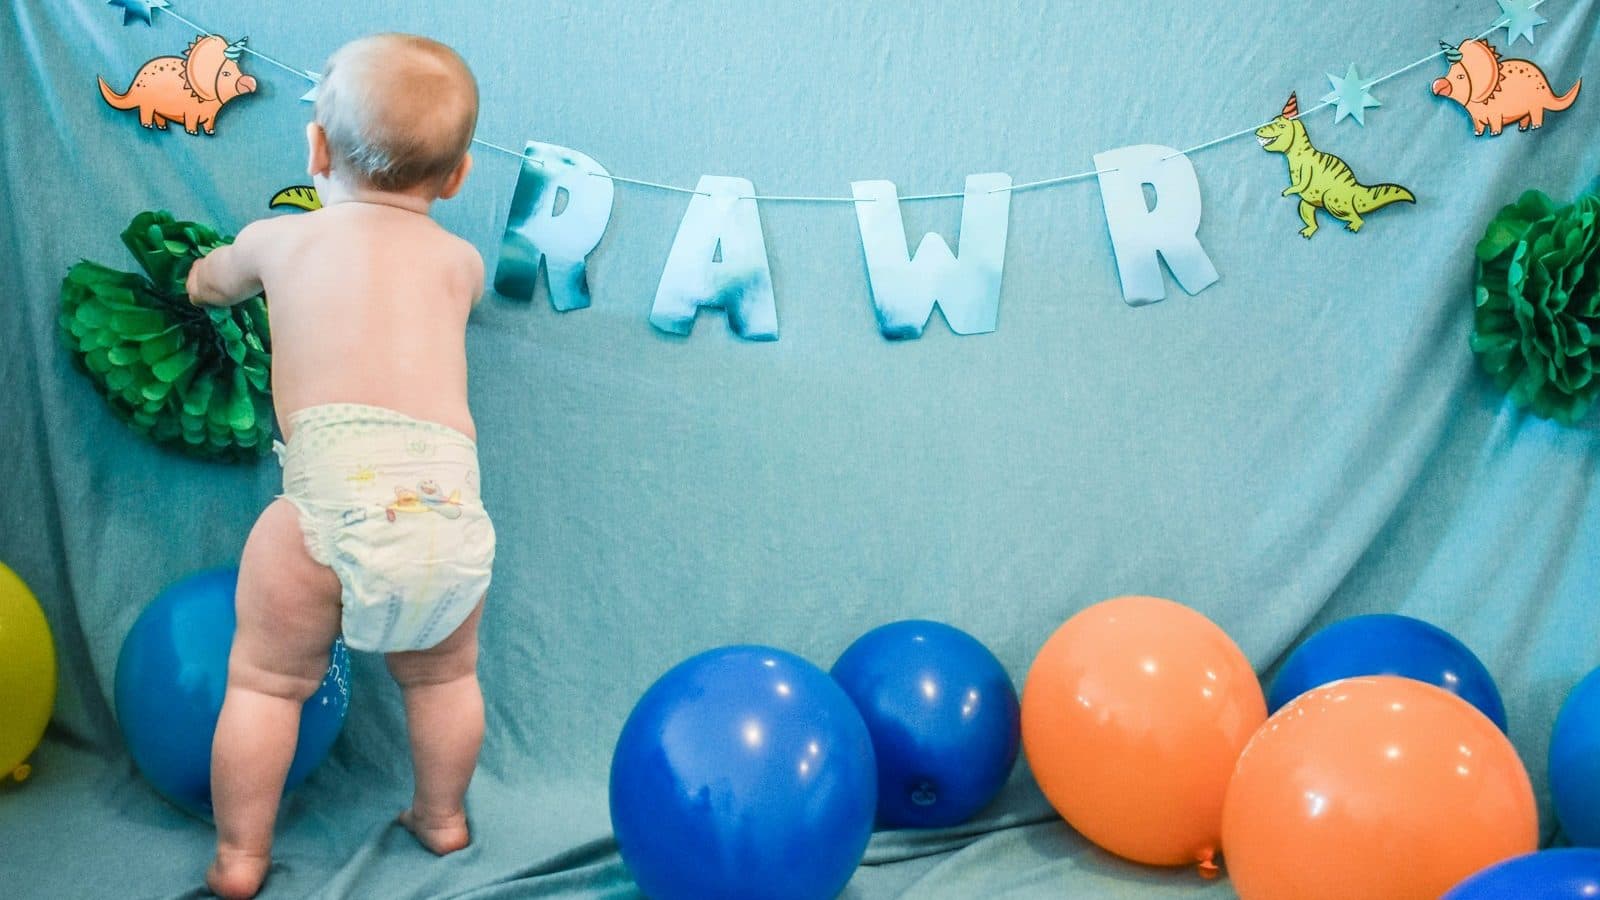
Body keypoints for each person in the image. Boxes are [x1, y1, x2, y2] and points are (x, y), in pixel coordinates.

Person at [185, 33, 494, 900]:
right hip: (445, 513)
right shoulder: (460, 264)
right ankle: (441, 817)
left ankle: (241, 857)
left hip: (331, 506)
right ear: (460, 176)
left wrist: (197, 279)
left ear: (315, 150)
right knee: (446, 678)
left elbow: (211, 283)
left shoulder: (281, 242)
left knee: (267, 683)